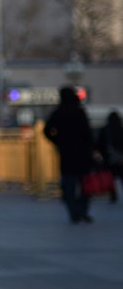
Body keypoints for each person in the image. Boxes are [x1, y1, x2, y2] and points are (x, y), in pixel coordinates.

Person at [43, 86, 95, 223]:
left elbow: (47, 130)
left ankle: (73, 212)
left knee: (69, 186)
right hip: (82, 154)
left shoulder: (58, 112)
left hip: (66, 154)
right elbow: (87, 133)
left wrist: (58, 141)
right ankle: (83, 210)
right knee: (85, 185)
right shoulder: (79, 112)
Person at [97, 110, 123, 202]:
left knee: (110, 178)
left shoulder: (105, 130)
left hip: (109, 158)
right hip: (120, 158)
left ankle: (113, 195)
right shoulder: (120, 129)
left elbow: (100, 144)